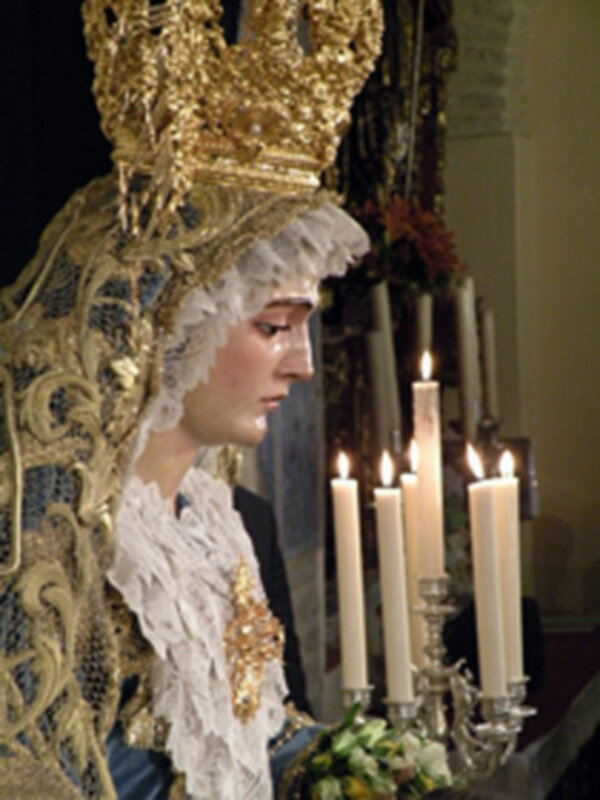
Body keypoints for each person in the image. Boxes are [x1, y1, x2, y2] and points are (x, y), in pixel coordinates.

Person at [0, 2, 452, 798]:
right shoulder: (48, 542)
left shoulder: (221, 525)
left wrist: (350, 771)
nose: (303, 365)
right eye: (274, 325)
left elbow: (250, 731)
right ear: (173, 323)